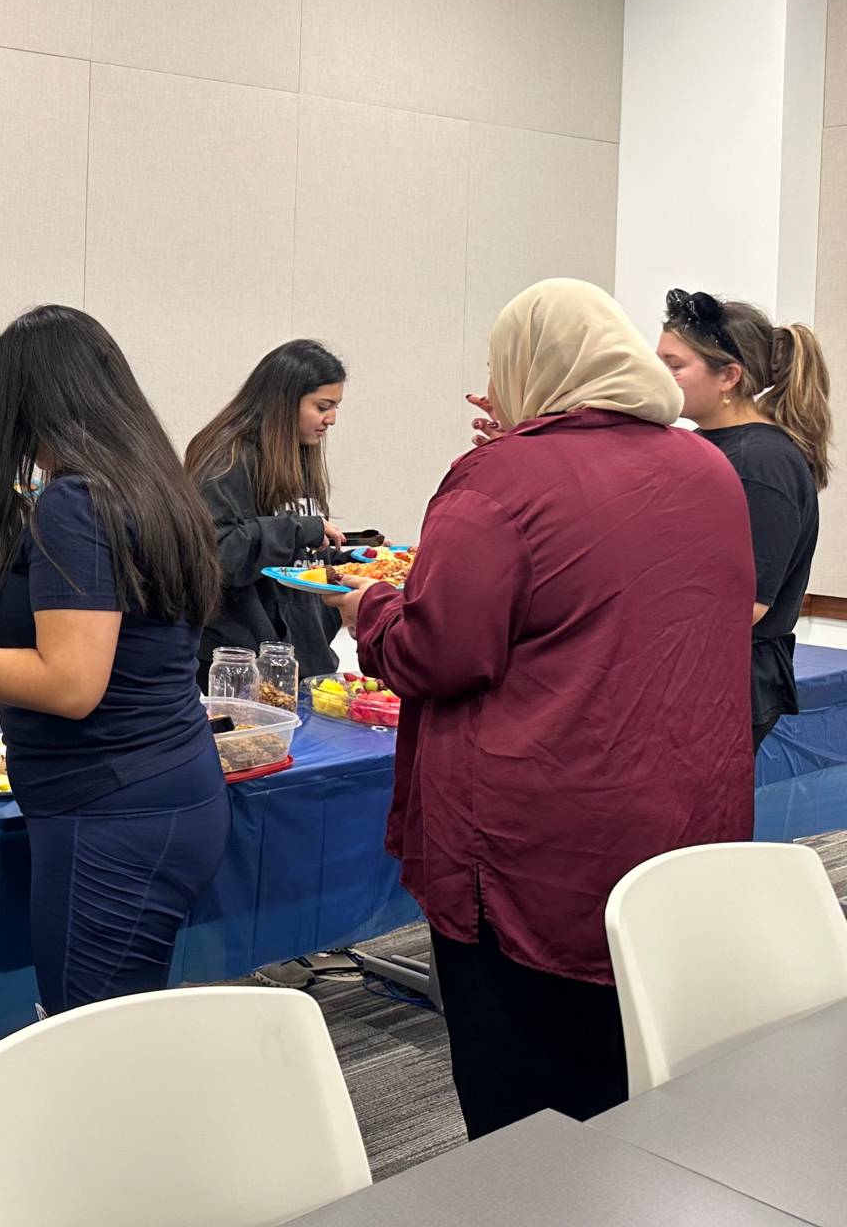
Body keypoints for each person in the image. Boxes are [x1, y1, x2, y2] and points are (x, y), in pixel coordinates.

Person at [329, 278, 753, 1139]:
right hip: (680, 815)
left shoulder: (497, 480)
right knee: (641, 1075)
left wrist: (367, 612)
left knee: (527, 1108)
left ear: (528, 370)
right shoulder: (707, 467)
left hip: (533, 843)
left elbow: (438, 651)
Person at [0, 305, 228, 1016]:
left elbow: (71, 683)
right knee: (120, 1018)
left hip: (112, 808)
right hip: (166, 787)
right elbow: (97, 648)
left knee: (88, 1033)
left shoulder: (75, 502)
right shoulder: (151, 485)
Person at [659, 290, 831, 750]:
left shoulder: (760, 462)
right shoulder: (706, 445)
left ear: (729, 377)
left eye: (675, 365)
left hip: (725, 684)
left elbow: (747, 604)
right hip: (694, 673)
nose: (661, 376)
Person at [185, 341, 348, 679]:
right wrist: (299, 529)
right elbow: (214, 553)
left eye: (335, 407)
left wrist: (354, 561)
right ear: (285, 402)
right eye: (322, 406)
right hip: (244, 665)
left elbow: (300, 555)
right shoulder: (227, 457)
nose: (331, 419)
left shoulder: (300, 452)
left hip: (304, 660)